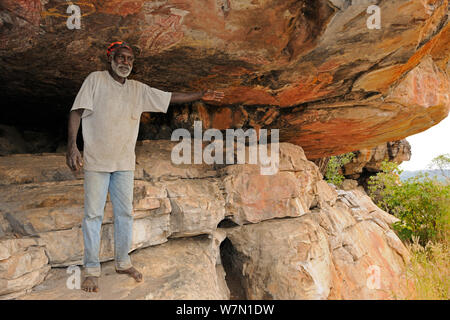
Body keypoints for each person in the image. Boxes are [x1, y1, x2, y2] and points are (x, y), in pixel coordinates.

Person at [66, 41, 224, 293]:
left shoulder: (137, 90)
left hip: (124, 163)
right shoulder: (95, 80)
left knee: (124, 214)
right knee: (93, 215)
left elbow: (169, 97)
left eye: (129, 59)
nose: (125, 62)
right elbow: (76, 112)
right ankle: (92, 270)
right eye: (120, 57)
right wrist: (72, 146)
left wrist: (199, 95)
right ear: (111, 59)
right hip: (96, 161)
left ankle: (122, 262)